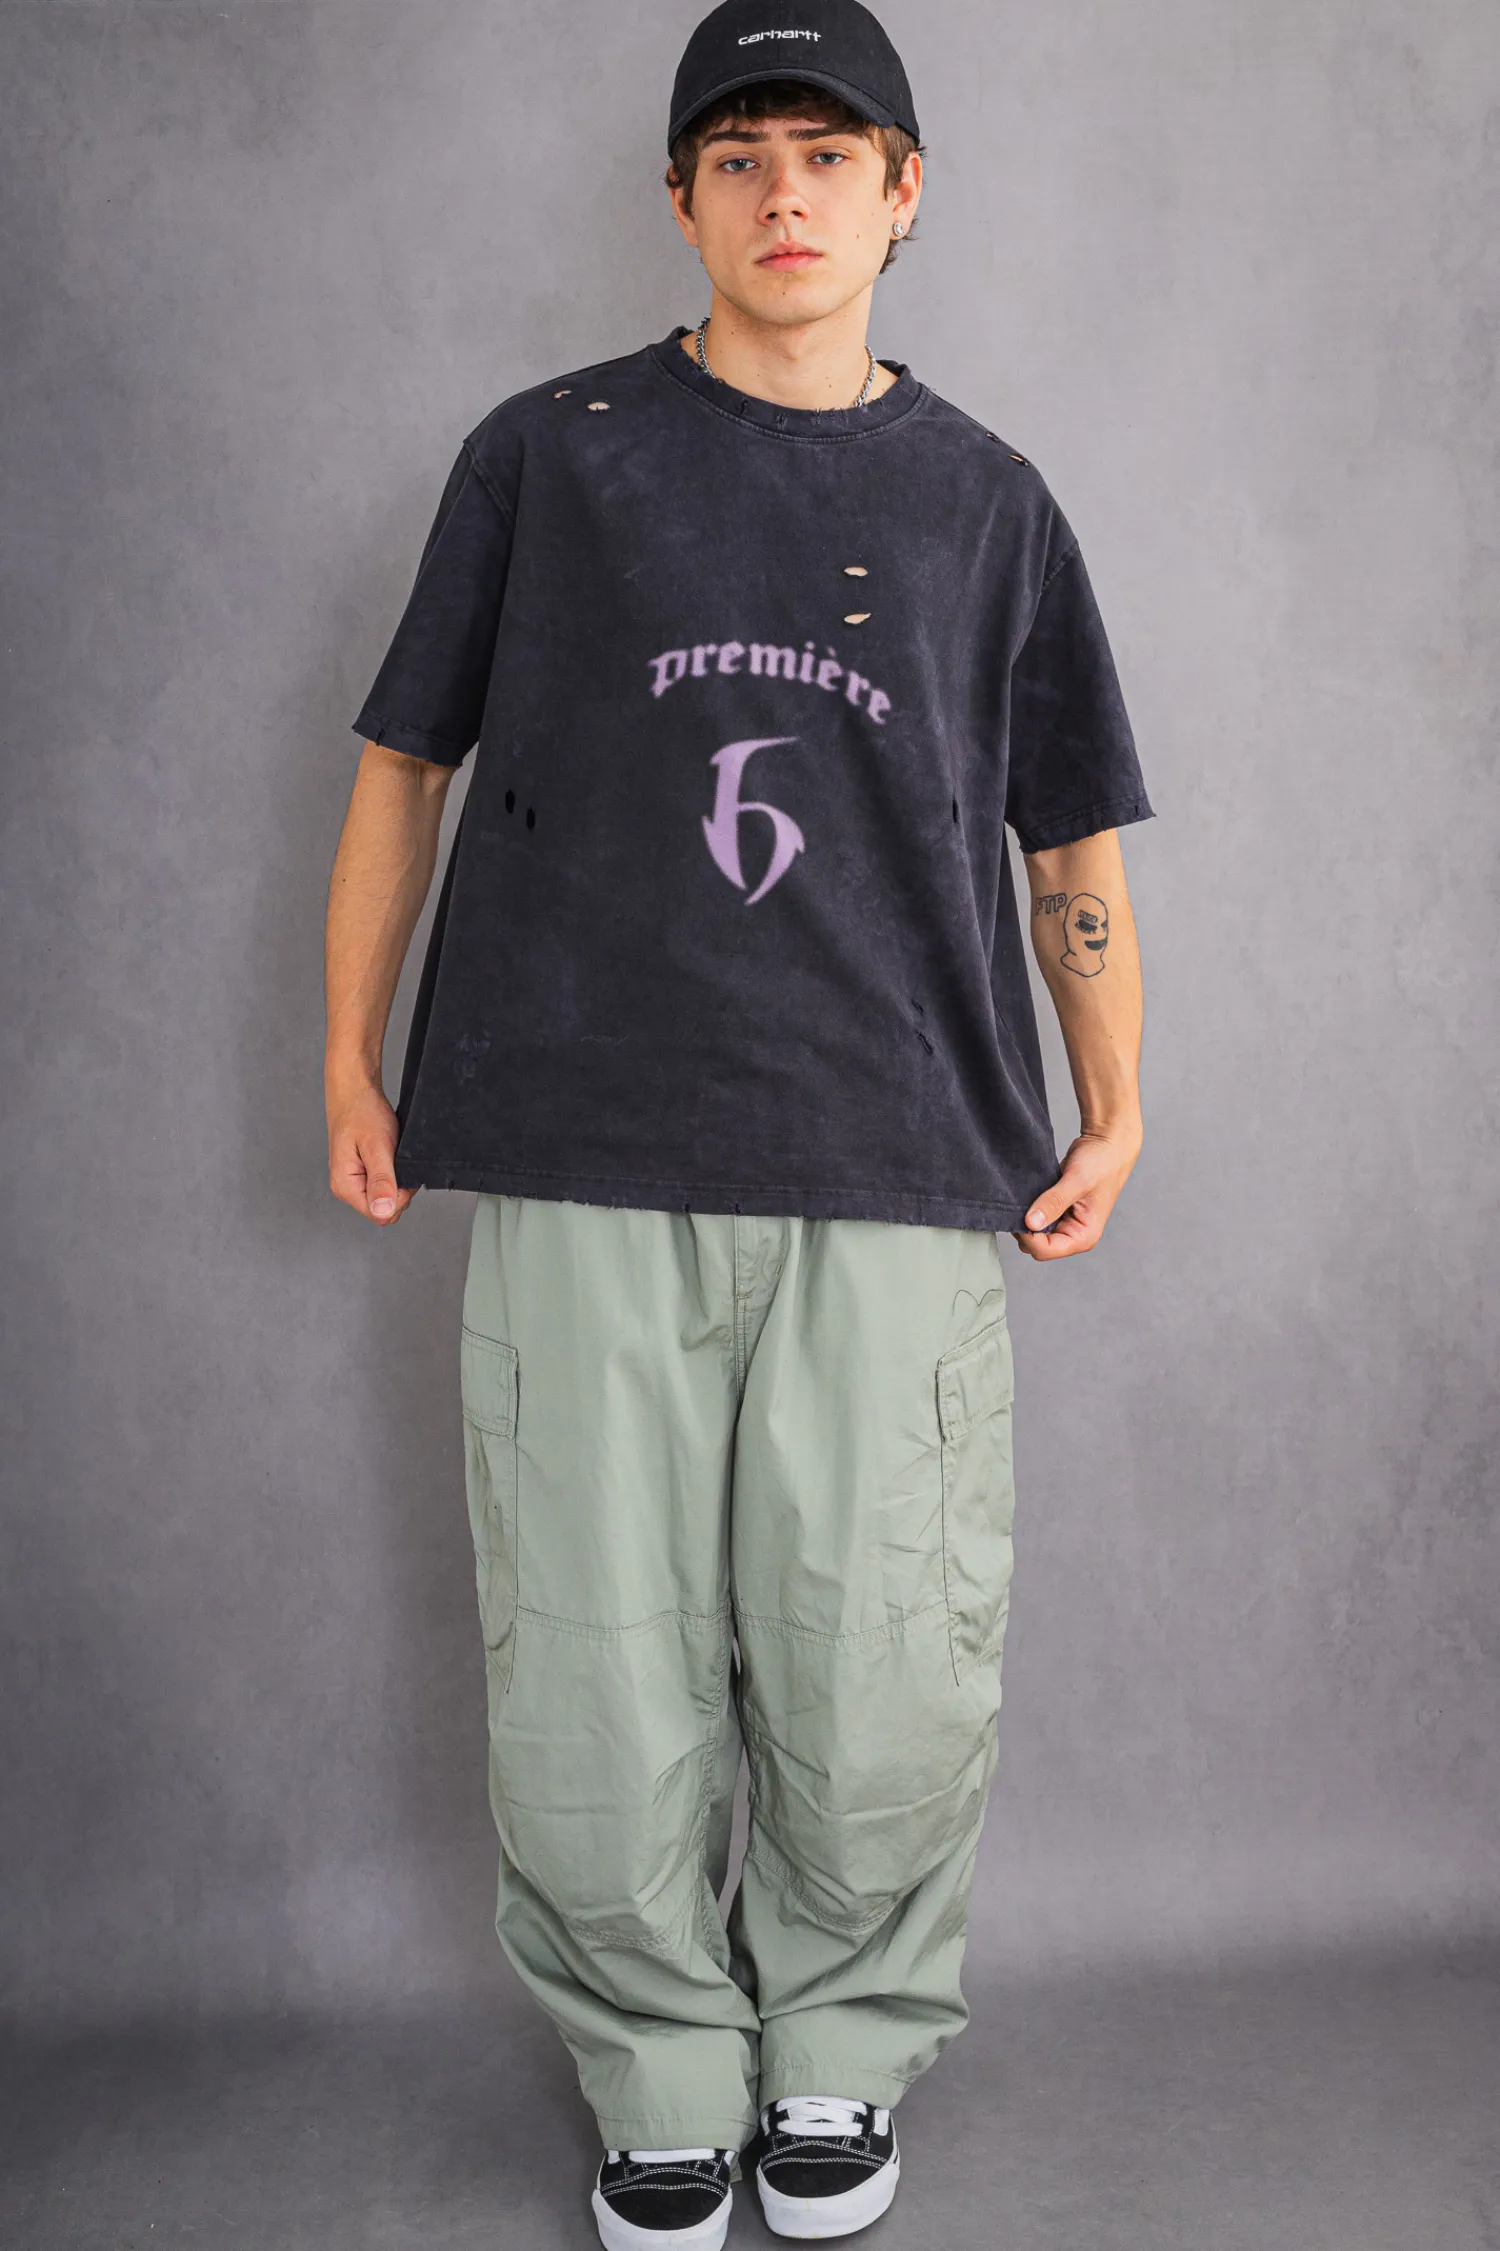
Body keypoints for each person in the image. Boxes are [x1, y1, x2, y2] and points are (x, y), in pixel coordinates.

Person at [323, 2, 1153, 2241]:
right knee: (593, 1657)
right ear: (682, 198)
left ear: (905, 190)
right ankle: (660, 2068)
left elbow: (1069, 835)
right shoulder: (551, 458)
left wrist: (1117, 1098)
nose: (787, 194)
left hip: (900, 1152)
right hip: (584, 1143)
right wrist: (349, 1051)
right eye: (741, 155)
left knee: (883, 1655)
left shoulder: (988, 505)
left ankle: (843, 2050)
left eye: (830, 152)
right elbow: (405, 761)